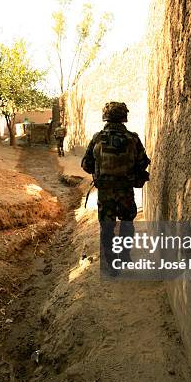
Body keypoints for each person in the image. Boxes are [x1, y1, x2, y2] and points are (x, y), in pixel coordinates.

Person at [81, 102, 150, 276]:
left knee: (107, 227)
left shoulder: (98, 138)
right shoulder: (132, 138)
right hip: (126, 191)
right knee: (127, 223)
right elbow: (142, 162)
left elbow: (86, 164)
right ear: (123, 117)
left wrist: (100, 171)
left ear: (105, 116)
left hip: (105, 192)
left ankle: (111, 264)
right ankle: (125, 256)